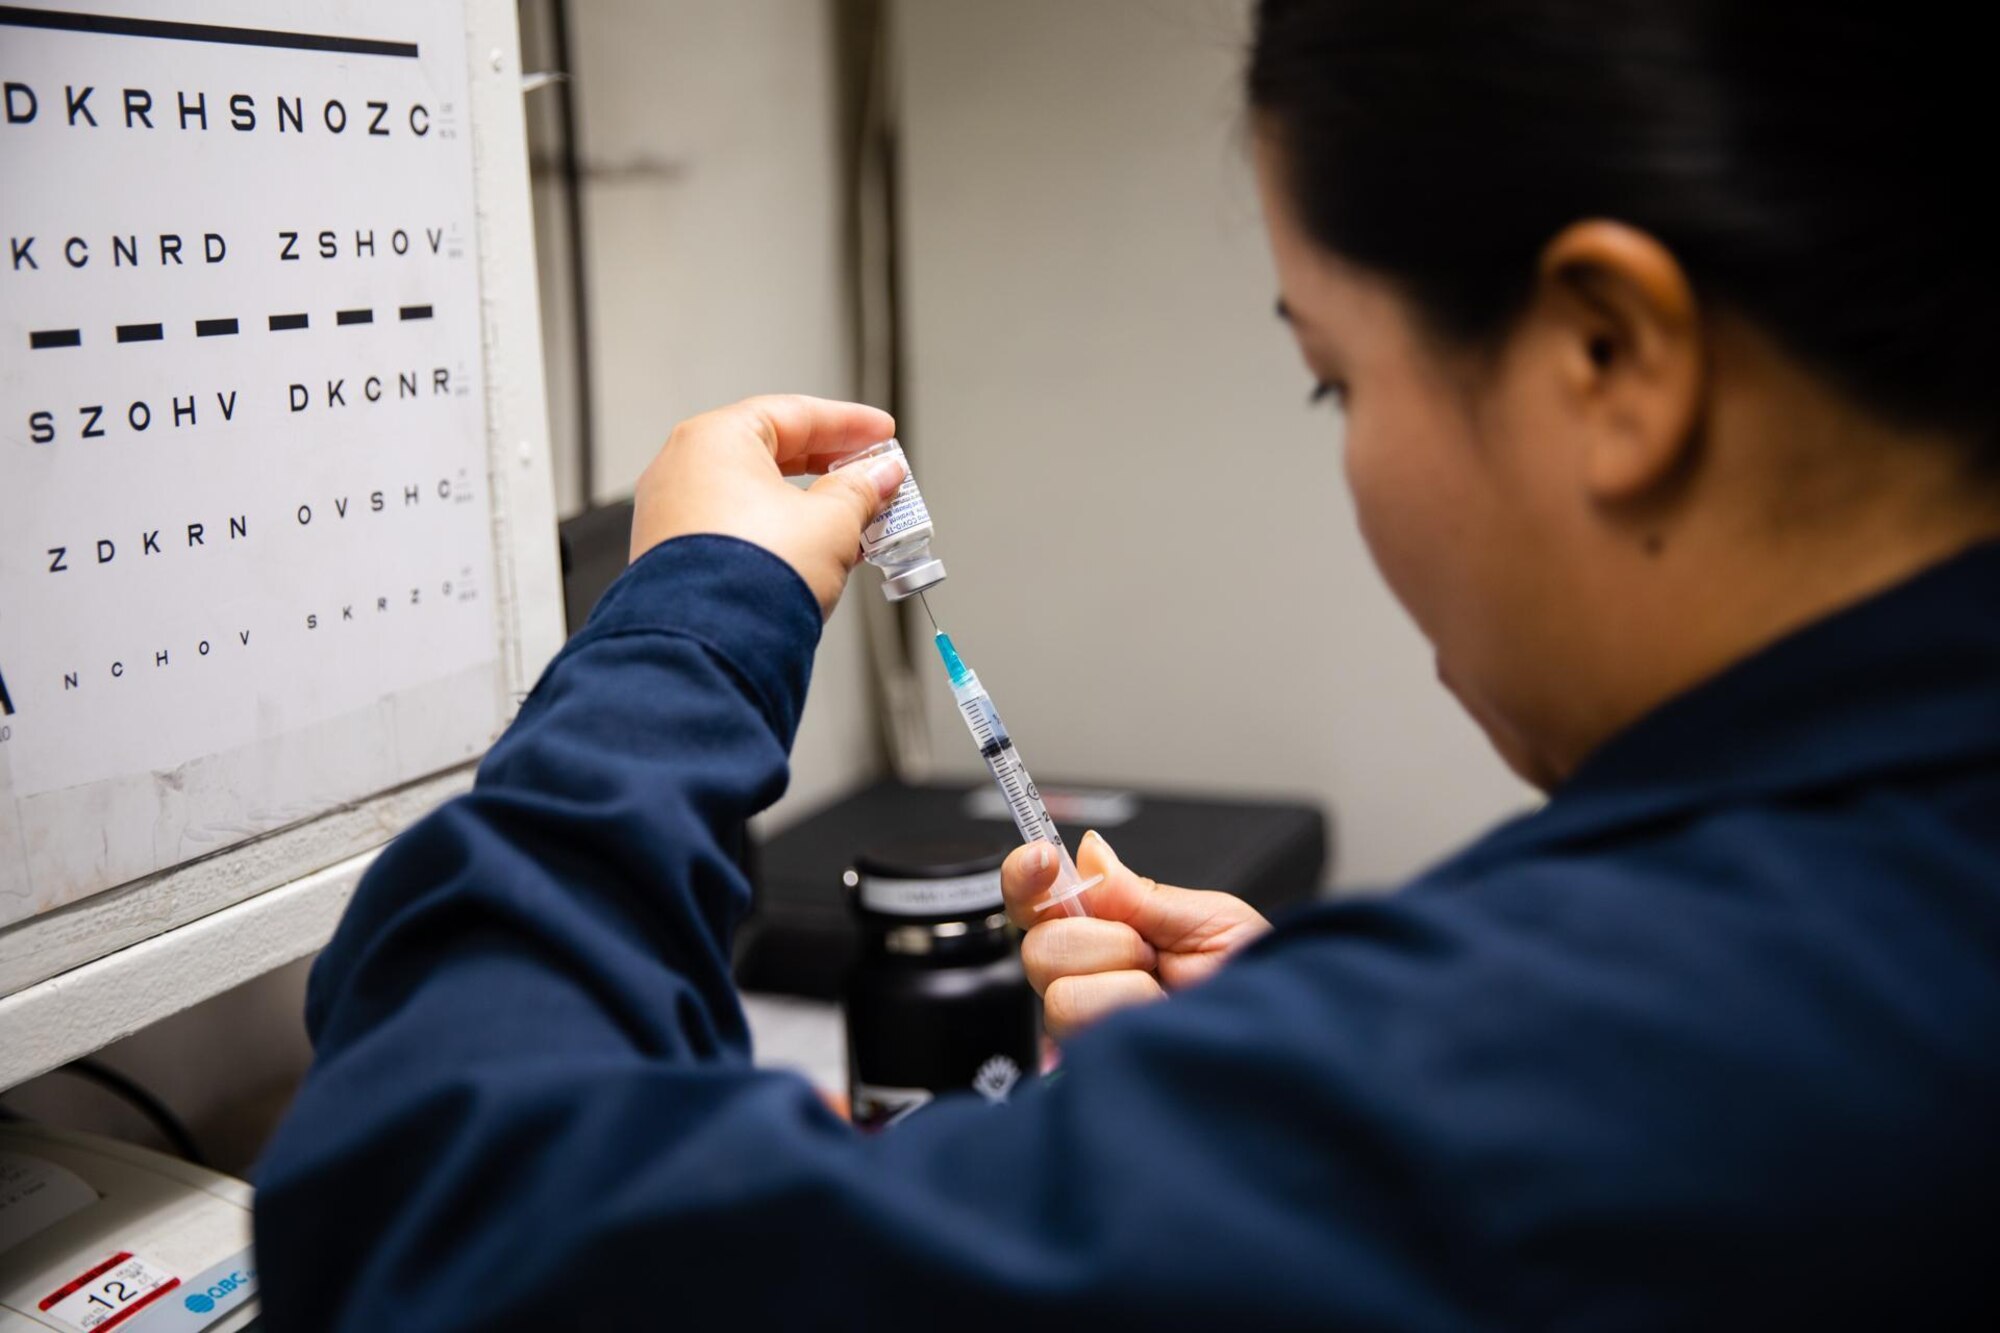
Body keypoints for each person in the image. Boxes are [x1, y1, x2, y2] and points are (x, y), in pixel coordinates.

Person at [254, 1, 1999, 1326]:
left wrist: (692, 613)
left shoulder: (1601, 1073)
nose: (1347, 444)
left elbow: (432, 1218)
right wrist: (1281, 1077)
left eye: (1338, 377)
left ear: (1614, 356)